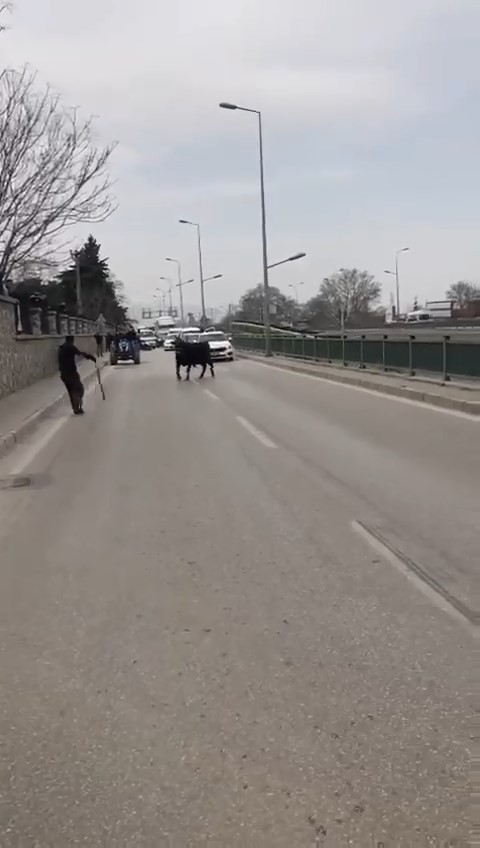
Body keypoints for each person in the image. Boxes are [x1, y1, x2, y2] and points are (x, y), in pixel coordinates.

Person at [58, 336, 96, 415]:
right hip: (71, 373)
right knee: (79, 389)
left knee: (71, 391)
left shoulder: (61, 348)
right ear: (72, 340)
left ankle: (75, 408)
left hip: (63, 374)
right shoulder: (70, 347)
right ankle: (77, 407)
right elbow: (80, 353)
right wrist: (91, 357)